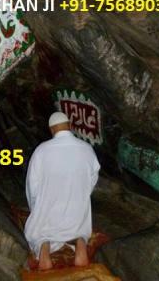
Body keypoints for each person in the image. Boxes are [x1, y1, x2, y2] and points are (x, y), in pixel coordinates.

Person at [24, 112, 101, 270]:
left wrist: (35, 208)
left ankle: (44, 249)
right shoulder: (87, 149)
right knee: (80, 230)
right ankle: (80, 245)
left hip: (49, 213)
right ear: (69, 126)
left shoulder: (41, 151)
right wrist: (81, 194)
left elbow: (32, 185)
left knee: (40, 232)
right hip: (76, 213)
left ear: (52, 130)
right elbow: (93, 179)